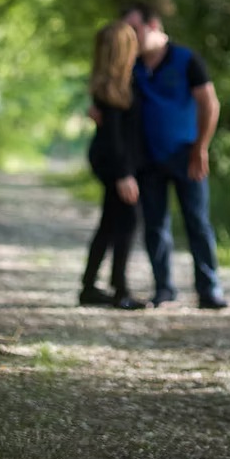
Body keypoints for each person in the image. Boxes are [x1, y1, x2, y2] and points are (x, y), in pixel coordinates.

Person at [122, 2, 228, 310]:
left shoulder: (186, 60)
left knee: (197, 222)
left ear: (153, 26)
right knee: (154, 226)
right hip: (148, 159)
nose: (131, 36)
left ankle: (209, 289)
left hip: (187, 156)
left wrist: (201, 147)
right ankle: (164, 288)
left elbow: (210, 104)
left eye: (135, 29)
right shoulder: (134, 66)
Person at [78, 21, 147, 310]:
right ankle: (120, 289)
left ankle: (90, 286)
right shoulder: (113, 88)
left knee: (109, 222)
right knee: (127, 221)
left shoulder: (114, 83)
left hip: (114, 161)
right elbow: (114, 137)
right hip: (115, 164)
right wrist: (124, 175)